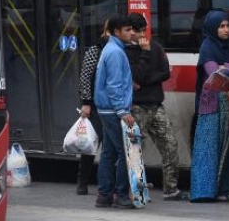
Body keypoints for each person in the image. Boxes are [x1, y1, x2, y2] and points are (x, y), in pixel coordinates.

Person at [125, 13, 188, 201]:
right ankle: (136, 189)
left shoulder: (156, 47)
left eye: (145, 30)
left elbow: (165, 72)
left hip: (155, 104)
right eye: (138, 31)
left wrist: (145, 82)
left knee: (170, 145)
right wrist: (144, 54)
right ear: (130, 32)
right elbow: (137, 75)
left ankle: (171, 188)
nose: (143, 35)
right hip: (137, 106)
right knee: (135, 148)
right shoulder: (127, 52)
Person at [191, 10, 229, 202]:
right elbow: (213, 74)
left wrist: (226, 67)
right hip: (212, 106)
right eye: (221, 26)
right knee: (209, 148)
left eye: (227, 26)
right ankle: (205, 191)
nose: (226, 30)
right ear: (212, 28)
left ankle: (225, 188)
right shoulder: (207, 47)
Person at [93, 15, 135, 209]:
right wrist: (122, 110)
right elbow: (114, 85)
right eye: (128, 30)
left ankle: (104, 196)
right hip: (113, 110)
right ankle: (121, 195)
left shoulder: (110, 49)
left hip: (106, 109)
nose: (132, 33)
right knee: (126, 152)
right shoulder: (116, 52)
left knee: (108, 154)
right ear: (117, 32)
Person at [75, 21, 108, 195]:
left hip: (110, 104)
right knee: (90, 144)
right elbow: (85, 78)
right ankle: (82, 181)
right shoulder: (95, 50)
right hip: (95, 105)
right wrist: (86, 102)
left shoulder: (119, 49)